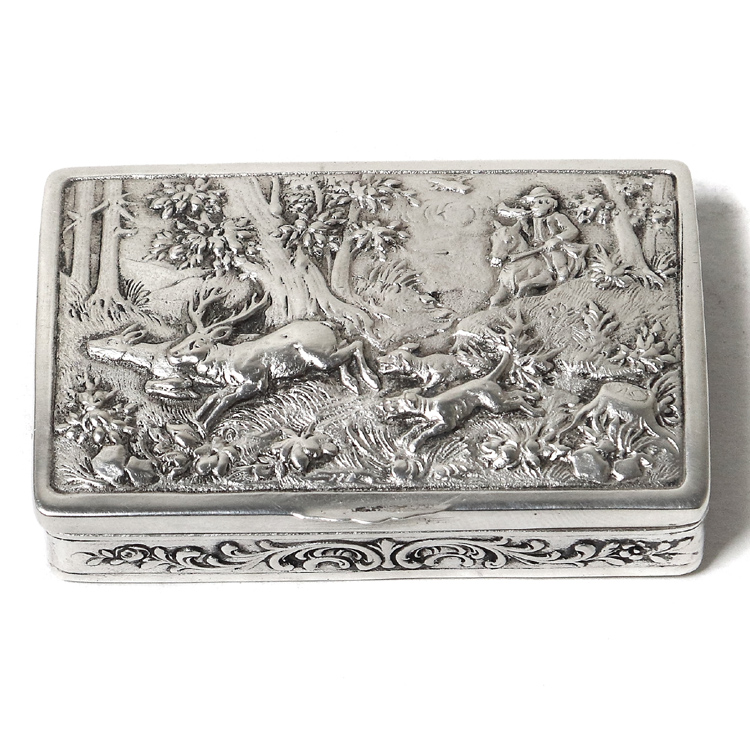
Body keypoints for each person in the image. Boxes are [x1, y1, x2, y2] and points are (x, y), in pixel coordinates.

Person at [504, 187, 586, 282]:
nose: (533, 207)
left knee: (557, 260)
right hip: (538, 248)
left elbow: (573, 231)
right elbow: (531, 234)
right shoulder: (534, 220)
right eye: (532, 204)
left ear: (548, 203)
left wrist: (557, 239)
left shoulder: (558, 217)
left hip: (555, 247)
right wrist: (524, 223)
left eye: (538, 203)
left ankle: (563, 277)